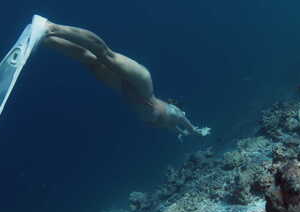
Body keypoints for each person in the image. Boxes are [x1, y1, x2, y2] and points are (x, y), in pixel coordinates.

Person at [42, 20, 210, 138]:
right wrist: (197, 130)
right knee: (106, 54)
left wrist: (183, 134)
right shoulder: (175, 113)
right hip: (142, 85)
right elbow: (185, 121)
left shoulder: (168, 124)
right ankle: (52, 27)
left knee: (90, 61)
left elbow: (176, 128)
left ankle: (46, 39)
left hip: (124, 90)